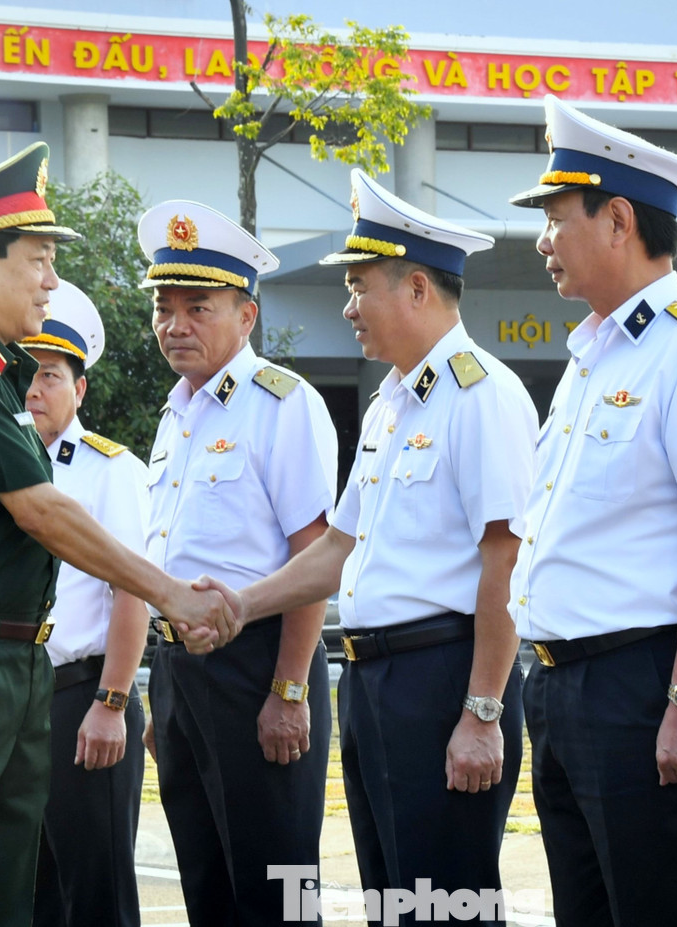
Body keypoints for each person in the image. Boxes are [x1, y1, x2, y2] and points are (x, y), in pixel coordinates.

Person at [0, 141, 234, 927]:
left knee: (0, 899)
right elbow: (40, 509)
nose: (52, 281)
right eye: (39, 259)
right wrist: (167, 594)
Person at [204, 168, 538, 926]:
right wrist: (243, 604)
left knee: (445, 904)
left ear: (417, 288)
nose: (348, 309)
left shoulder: (481, 394)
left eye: (360, 288)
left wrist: (482, 711)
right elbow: (336, 549)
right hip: (373, 684)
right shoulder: (392, 403)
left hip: (443, 678)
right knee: (395, 902)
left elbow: (504, 559)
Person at [506, 95, 677, 927]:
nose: (542, 240)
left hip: (644, 682)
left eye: (555, 217)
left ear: (618, 219)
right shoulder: (589, 358)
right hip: (562, 684)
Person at [136, 200, 339, 925]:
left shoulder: (282, 405)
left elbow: (313, 554)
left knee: (275, 889)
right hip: (182, 672)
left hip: (257, 664)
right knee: (208, 883)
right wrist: (167, 693)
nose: (175, 325)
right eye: (164, 306)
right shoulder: (176, 414)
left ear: (247, 316)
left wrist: (289, 688)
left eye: (199, 307)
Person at [19, 280, 150, 927]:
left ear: (81, 388)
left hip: (82, 694)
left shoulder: (109, 469)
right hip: (13, 697)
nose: (33, 389)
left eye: (48, 375)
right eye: (24, 374)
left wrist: (112, 701)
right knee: (26, 891)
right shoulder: (4, 466)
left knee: (94, 891)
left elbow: (131, 589)